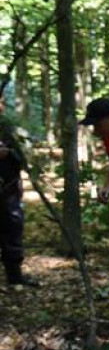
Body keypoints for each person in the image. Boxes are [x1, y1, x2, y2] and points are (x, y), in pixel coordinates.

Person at [0, 96, 36, 287]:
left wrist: (19, 179)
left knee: (12, 228)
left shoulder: (6, 126)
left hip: (8, 188)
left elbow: (18, 156)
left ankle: (14, 276)